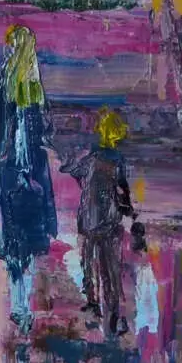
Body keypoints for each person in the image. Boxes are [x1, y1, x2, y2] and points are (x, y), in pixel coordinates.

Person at [0, 25, 59, 332]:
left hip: (9, 169)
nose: (8, 49)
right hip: (32, 171)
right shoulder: (34, 85)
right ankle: (22, 304)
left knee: (12, 238)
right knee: (26, 240)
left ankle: (19, 305)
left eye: (11, 44)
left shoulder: (6, 81)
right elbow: (45, 130)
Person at [62, 107, 144, 337]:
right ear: (116, 134)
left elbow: (74, 171)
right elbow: (123, 190)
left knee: (89, 263)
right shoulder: (117, 160)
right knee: (111, 269)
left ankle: (92, 303)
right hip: (109, 221)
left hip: (89, 220)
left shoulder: (91, 158)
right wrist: (130, 212)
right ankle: (114, 314)